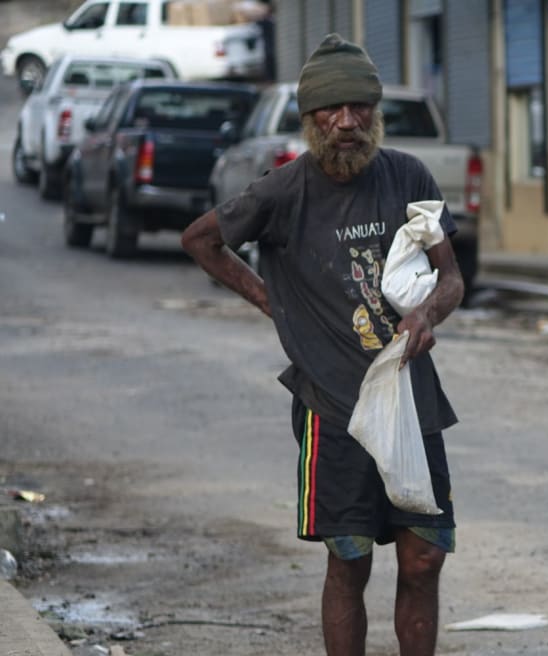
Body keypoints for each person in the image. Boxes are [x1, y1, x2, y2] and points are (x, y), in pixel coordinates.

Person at [181, 34, 463, 656]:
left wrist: (426, 314)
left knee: (423, 560)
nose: (347, 123)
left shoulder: (408, 176)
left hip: (411, 404)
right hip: (333, 411)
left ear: (375, 112)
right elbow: (201, 239)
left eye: (359, 108)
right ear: (310, 120)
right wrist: (271, 302)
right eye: (331, 112)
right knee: (350, 561)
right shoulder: (283, 191)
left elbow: (451, 276)